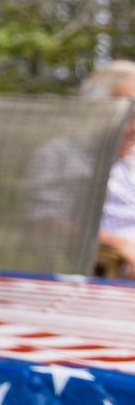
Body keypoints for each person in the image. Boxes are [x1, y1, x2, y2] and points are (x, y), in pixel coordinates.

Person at [85, 60, 135, 277]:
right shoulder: (65, 158)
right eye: (129, 113)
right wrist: (117, 244)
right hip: (109, 269)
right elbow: (49, 224)